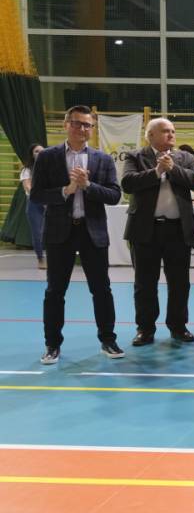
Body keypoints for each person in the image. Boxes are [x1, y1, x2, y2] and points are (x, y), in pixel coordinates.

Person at [31, 105, 123, 364]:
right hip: (59, 232)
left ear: (92, 129)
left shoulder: (102, 159)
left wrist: (87, 185)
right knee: (55, 291)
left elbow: (115, 195)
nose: (82, 129)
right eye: (77, 123)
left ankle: (108, 340)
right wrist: (67, 190)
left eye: (87, 125)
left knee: (102, 289)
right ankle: (52, 345)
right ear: (66, 124)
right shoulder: (47, 157)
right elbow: (37, 195)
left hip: (92, 232)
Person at [121, 118, 194, 346]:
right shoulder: (135, 156)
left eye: (173, 131)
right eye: (166, 131)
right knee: (144, 283)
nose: (171, 134)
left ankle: (178, 327)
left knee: (180, 283)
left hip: (178, 230)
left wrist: (173, 169)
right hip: (145, 230)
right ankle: (145, 329)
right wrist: (157, 171)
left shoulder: (185, 158)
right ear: (151, 135)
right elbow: (127, 183)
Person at [20, 143, 46, 269]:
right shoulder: (27, 170)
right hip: (34, 204)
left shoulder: (50, 168)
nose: (40, 153)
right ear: (32, 155)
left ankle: (56, 259)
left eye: (42, 151)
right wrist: (40, 197)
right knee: (37, 232)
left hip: (50, 202)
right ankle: (40, 259)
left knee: (54, 232)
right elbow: (27, 186)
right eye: (36, 151)